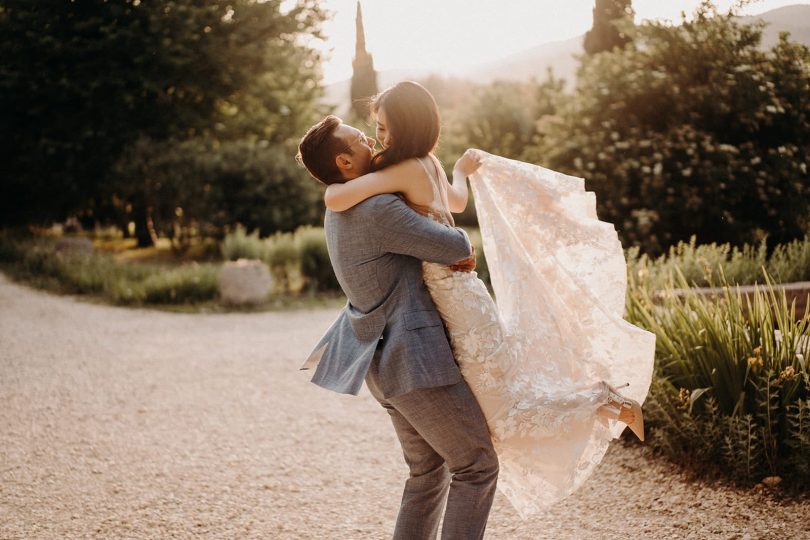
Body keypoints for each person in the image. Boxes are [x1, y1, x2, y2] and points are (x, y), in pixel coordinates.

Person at [315, 81, 656, 516]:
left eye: (380, 129)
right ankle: (603, 402)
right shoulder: (424, 166)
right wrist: (461, 173)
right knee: (497, 420)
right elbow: (455, 207)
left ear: (406, 126)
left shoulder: (387, 183)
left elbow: (341, 196)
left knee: (497, 416)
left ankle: (604, 402)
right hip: (460, 304)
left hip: (456, 309)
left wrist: (331, 192)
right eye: (368, 133)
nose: (374, 138)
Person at [296, 115, 499, 539]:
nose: (371, 141)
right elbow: (456, 245)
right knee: (476, 465)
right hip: (414, 361)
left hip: (380, 362)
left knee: (427, 474)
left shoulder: (341, 209)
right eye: (360, 139)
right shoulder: (378, 208)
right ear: (344, 162)